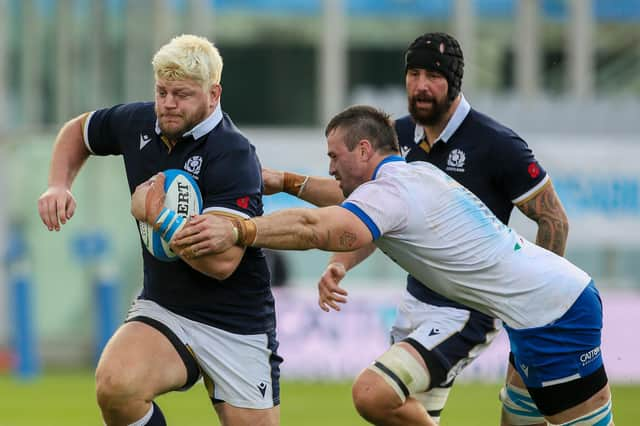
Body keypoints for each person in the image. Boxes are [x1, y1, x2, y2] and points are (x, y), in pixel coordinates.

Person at [133, 105, 613, 426]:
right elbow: (336, 195)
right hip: (537, 311)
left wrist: (241, 229)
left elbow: (316, 228)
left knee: (371, 395)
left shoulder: (392, 192)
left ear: (364, 150)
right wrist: (280, 180)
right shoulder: (410, 175)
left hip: (557, 314)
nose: (331, 168)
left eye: (334, 157)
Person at [261, 32, 569, 425]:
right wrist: (340, 262)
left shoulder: (496, 143)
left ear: (454, 82)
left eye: (434, 76)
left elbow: (553, 219)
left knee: (375, 395)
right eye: (414, 73)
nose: (421, 85)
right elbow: (365, 208)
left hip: (467, 309)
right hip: (415, 303)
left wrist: (534, 310)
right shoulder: (396, 137)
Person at [37, 34, 281, 426]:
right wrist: (58, 184)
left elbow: (221, 264)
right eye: (162, 91)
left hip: (235, 321)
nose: (168, 104)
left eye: (182, 94)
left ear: (213, 94)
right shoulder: (138, 122)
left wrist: (158, 216)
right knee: (116, 386)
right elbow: (77, 131)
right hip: (166, 306)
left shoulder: (233, 154)